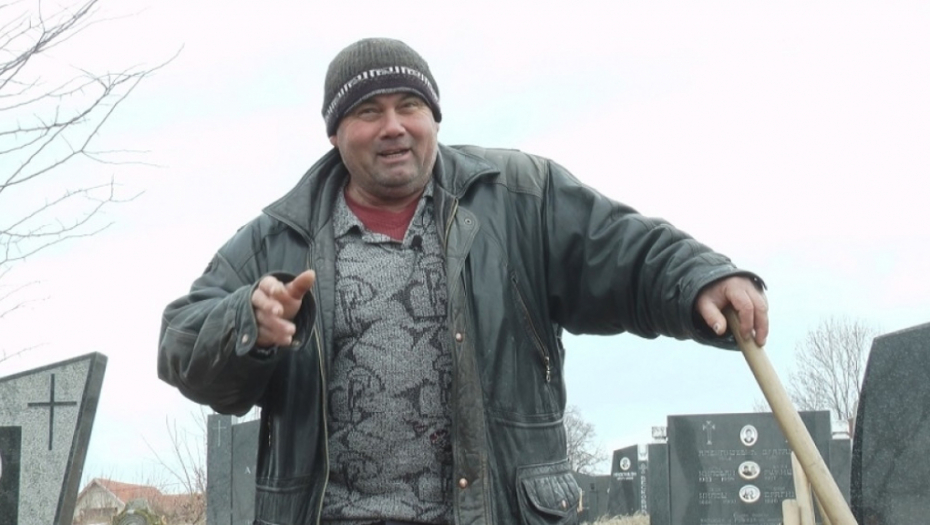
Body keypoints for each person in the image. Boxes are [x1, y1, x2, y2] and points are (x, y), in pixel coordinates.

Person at [158, 37, 768, 525]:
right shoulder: (278, 237)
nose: (393, 126)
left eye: (409, 106)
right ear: (335, 133)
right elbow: (179, 341)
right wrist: (247, 322)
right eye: (368, 112)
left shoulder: (520, 199)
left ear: (434, 117)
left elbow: (623, 251)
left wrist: (702, 280)